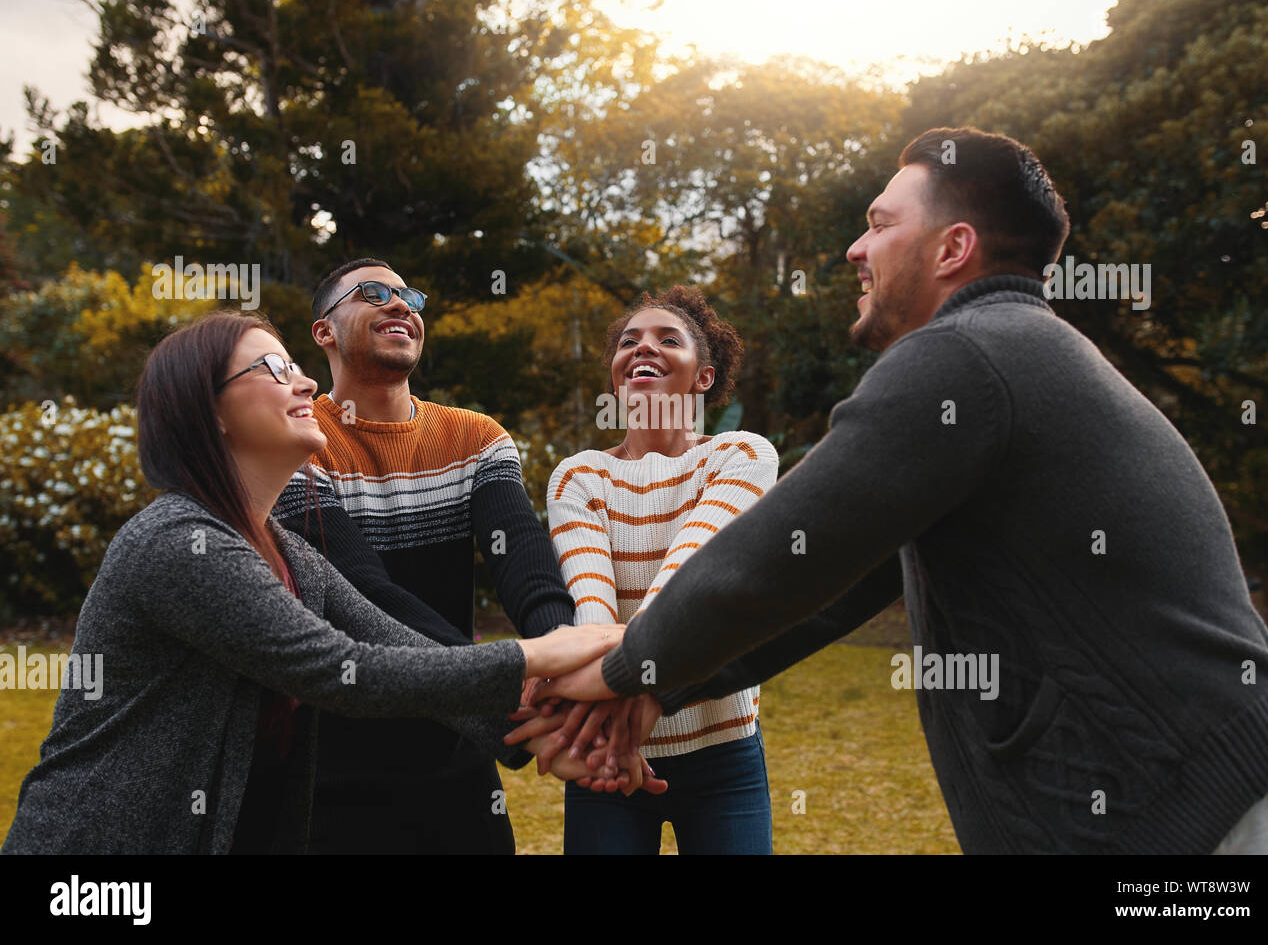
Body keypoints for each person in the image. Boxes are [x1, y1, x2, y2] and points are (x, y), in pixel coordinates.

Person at [548, 127, 1268, 854]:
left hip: (1205, 814)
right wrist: (654, 685)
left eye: (879, 224)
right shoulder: (1013, 353)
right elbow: (824, 589)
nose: (855, 248)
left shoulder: (968, 355)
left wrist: (621, 673)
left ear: (953, 248)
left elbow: (768, 564)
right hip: (1205, 799)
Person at [0, 312, 625, 855]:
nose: (302, 381)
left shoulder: (292, 554)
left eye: (294, 364)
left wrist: (543, 734)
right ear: (207, 411)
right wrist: (535, 654)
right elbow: (340, 669)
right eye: (270, 369)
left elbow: (403, 648)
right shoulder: (178, 542)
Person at [271, 258, 583, 853]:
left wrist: (562, 659)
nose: (401, 306)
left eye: (409, 296)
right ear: (324, 332)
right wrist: (506, 688)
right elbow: (363, 593)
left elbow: (520, 558)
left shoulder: (477, 438)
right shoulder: (302, 441)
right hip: (337, 765)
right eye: (373, 294)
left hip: (458, 765)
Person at [542, 286, 777, 854]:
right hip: (605, 756)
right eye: (630, 341)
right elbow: (592, 613)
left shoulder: (741, 457)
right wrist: (614, 716)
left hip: (723, 753)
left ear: (704, 378)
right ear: (617, 379)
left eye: (667, 339)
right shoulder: (578, 479)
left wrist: (617, 686)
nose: (642, 347)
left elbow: (687, 581)